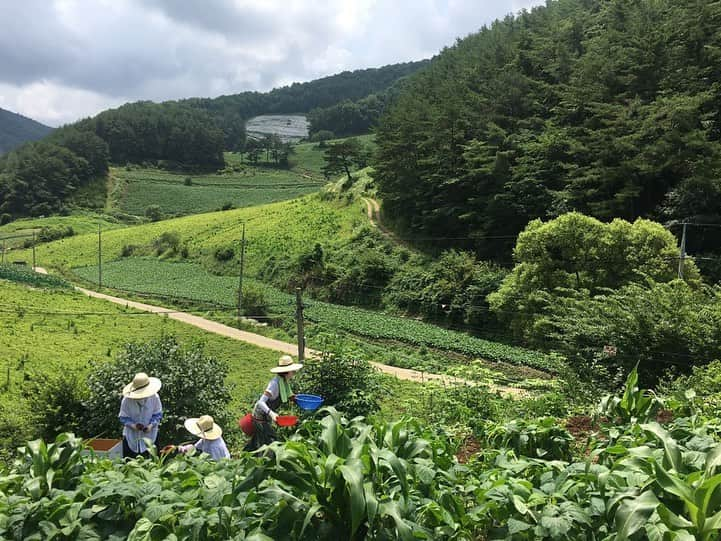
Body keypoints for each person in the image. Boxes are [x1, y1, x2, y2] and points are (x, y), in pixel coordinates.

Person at [244, 354, 303, 452]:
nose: (294, 373)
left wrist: (300, 401)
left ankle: (246, 454)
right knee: (270, 441)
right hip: (260, 417)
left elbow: (290, 396)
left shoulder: (284, 382)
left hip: (266, 417)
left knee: (259, 439)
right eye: (293, 371)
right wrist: (271, 414)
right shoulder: (274, 384)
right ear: (286, 372)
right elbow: (260, 402)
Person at [118, 372, 163, 459]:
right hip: (131, 436)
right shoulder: (127, 400)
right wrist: (133, 426)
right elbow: (123, 417)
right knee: (130, 462)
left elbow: (157, 414)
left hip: (151, 435)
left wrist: (150, 426)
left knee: (152, 461)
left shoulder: (155, 397)